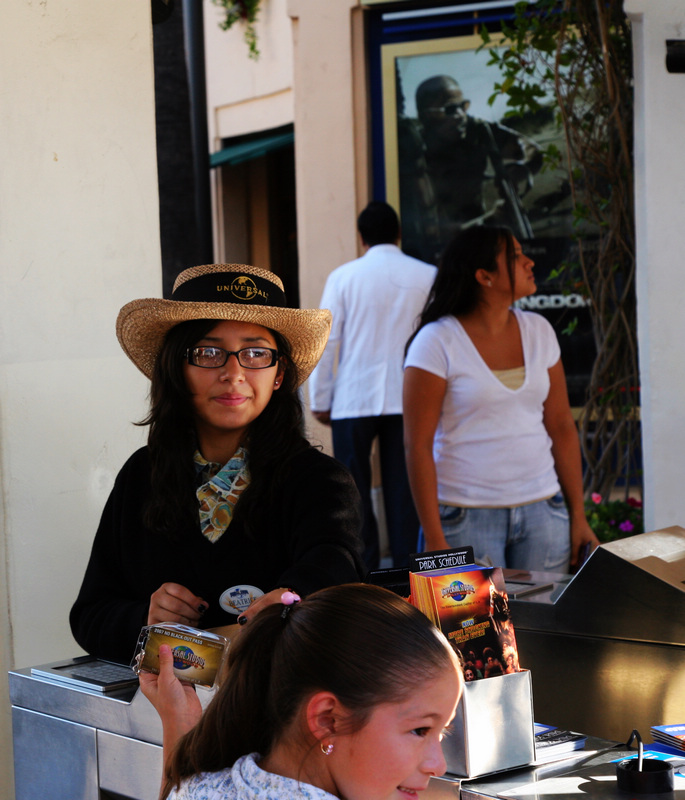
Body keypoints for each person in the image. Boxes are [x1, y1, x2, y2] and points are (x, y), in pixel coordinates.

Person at [70, 264, 365, 664]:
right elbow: (90, 615)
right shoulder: (143, 476)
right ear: (177, 368)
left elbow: (336, 562)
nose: (234, 373)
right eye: (209, 353)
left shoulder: (318, 479)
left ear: (279, 374)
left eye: (256, 353)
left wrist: (295, 599)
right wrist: (145, 620)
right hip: (163, 717)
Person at [139, 583, 464, 800]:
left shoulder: (200, 787)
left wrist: (177, 723)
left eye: (442, 731)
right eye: (420, 730)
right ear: (327, 720)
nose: (437, 764)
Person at [403, 226, 599, 572]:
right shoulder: (435, 342)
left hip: (544, 512)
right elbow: (417, 446)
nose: (529, 261)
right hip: (464, 518)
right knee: (472, 629)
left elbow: (562, 426)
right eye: (515, 256)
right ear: (484, 276)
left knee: (543, 627)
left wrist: (577, 515)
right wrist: (434, 538)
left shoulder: (539, 330)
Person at [309, 201, 436, 570]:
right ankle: (407, 573)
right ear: (399, 234)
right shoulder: (428, 275)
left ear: (361, 237)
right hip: (410, 397)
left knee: (351, 491)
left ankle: (360, 575)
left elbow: (326, 341)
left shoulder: (343, 277)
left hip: (353, 397)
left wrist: (321, 397)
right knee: (405, 489)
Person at [415, 76, 542, 245]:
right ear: (426, 116)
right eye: (450, 109)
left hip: (479, 233)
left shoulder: (476, 130)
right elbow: (429, 233)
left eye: (463, 106)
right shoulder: (416, 154)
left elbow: (530, 149)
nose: (461, 115)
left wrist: (522, 168)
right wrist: (491, 220)